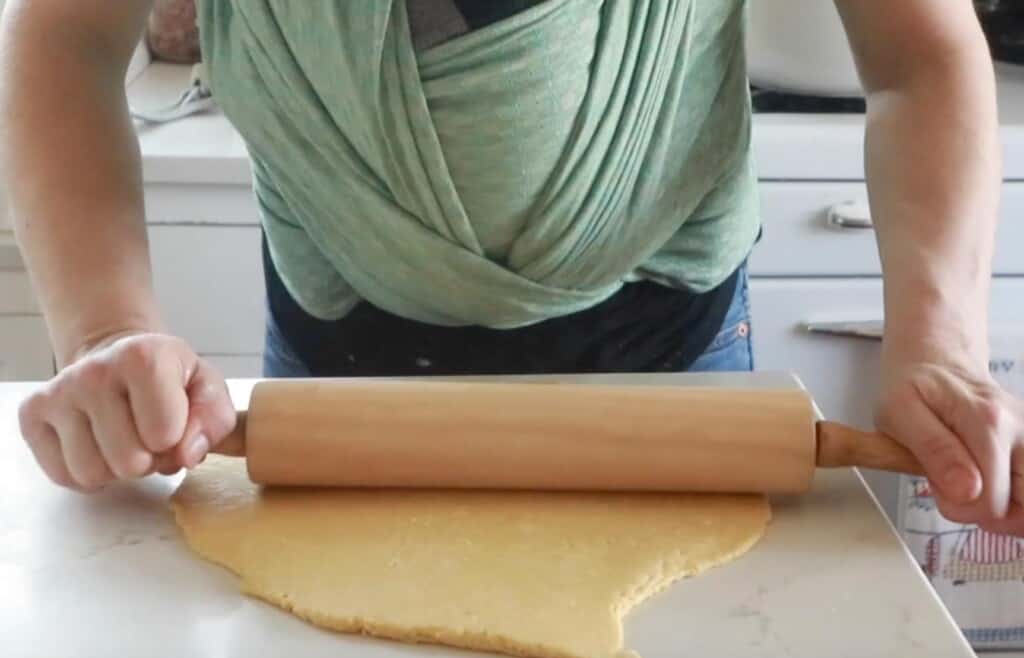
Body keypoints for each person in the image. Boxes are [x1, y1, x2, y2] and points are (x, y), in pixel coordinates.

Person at [3, 0, 1022, 536]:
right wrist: (103, 331)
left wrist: (939, 340)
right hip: (343, 384)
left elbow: (918, 53)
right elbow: (65, 34)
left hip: (679, 370)